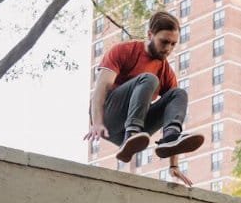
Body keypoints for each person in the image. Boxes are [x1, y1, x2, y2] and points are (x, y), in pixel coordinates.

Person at [84, 11, 204, 185]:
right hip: (108, 118)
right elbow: (100, 89)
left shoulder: (166, 72)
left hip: (136, 129)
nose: (168, 49)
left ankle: (170, 137)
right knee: (149, 79)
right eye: (164, 42)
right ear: (150, 35)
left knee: (178, 94)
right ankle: (131, 133)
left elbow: (171, 111)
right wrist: (97, 122)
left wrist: (174, 166)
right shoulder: (124, 51)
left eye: (173, 44)